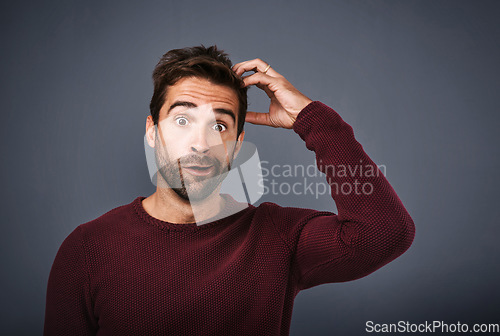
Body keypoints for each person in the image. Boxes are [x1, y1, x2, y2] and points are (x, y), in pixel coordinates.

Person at [44, 45, 415, 336]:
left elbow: (384, 233)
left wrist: (312, 118)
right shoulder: (87, 249)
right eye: (183, 119)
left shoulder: (274, 236)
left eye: (219, 126)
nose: (200, 144)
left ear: (237, 144)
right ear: (152, 131)